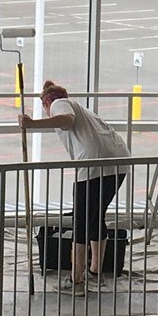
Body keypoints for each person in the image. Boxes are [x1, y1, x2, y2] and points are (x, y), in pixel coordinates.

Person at [19, 80, 132, 288]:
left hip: (92, 164)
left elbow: (67, 120)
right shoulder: (84, 111)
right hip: (119, 161)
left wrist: (32, 124)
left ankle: (76, 278)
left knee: (81, 221)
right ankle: (96, 271)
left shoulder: (58, 103)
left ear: (46, 103)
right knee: (95, 216)